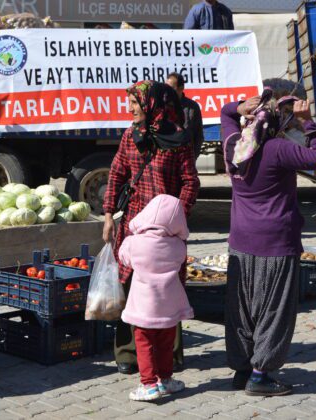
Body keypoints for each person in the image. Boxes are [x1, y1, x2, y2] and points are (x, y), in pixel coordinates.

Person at [221, 81, 316, 396]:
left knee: (242, 308)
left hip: (240, 243)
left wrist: (240, 105)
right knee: (274, 310)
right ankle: (261, 375)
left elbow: (225, 113)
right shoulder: (277, 149)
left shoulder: (233, 147)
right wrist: (308, 121)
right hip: (276, 241)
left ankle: (242, 371)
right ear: (277, 121)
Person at [103, 80, 200, 375]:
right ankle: (128, 353)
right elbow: (117, 172)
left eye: (135, 102)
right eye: (130, 103)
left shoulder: (178, 139)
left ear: (152, 104)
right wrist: (108, 214)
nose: (131, 108)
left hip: (166, 233)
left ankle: (169, 356)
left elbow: (190, 182)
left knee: (166, 288)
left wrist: (177, 217)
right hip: (133, 228)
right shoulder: (130, 137)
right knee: (131, 286)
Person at [118, 194, 194, 401]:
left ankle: (149, 384)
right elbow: (179, 262)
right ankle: (166, 379)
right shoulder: (178, 245)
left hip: (144, 305)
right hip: (169, 305)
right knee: (165, 344)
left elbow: (124, 258)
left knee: (144, 344)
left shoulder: (134, 242)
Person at [167, 72, 205, 159]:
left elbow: (198, 135)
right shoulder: (161, 106)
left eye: (171, 88)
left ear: (181, 88)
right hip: (167, 159)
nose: (167, 90)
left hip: (186, 158)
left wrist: (193, 158)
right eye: (166, 87)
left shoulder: (192, 107)